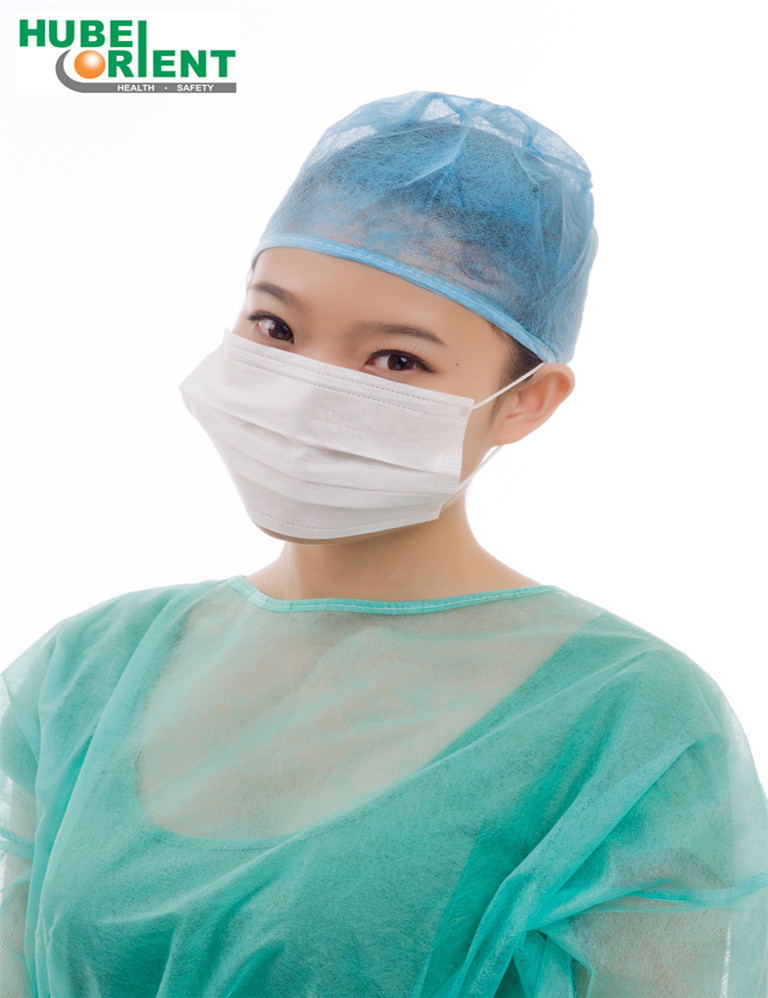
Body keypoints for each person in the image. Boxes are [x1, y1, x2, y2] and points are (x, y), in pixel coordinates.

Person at [1, 90, 766, 997]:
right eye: (275, 328)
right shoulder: (88, 671)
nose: (303, 392)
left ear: (526, 401)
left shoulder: (625, 718)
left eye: (397, 360)